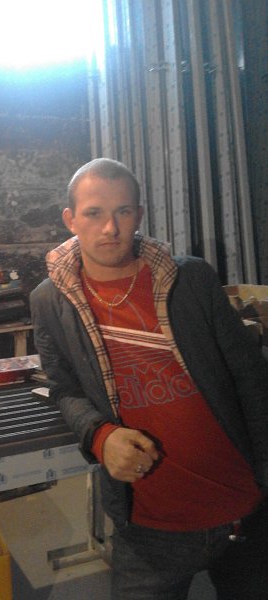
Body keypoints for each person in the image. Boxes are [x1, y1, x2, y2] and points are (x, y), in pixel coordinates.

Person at [30, 158, 268, 600]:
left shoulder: (190, 279)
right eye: (94, 213)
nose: (110, 228)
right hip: (149, 526)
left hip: (242, 507)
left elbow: (250, 377)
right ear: (70, 219)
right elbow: (64, 388)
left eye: (123, 211)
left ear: (139, 215)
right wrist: (100, 436)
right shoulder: (50, 301)